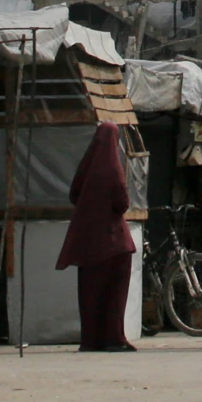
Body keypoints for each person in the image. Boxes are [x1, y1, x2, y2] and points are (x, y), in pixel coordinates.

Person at [60, 122, 139, 351]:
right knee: (114, 293)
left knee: (90, 292)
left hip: (87, 240)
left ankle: (91, 339)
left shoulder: (87, 165)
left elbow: (74, 194)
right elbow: (122, 202)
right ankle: (114, 338)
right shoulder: (114, 168)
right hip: (115, 241)